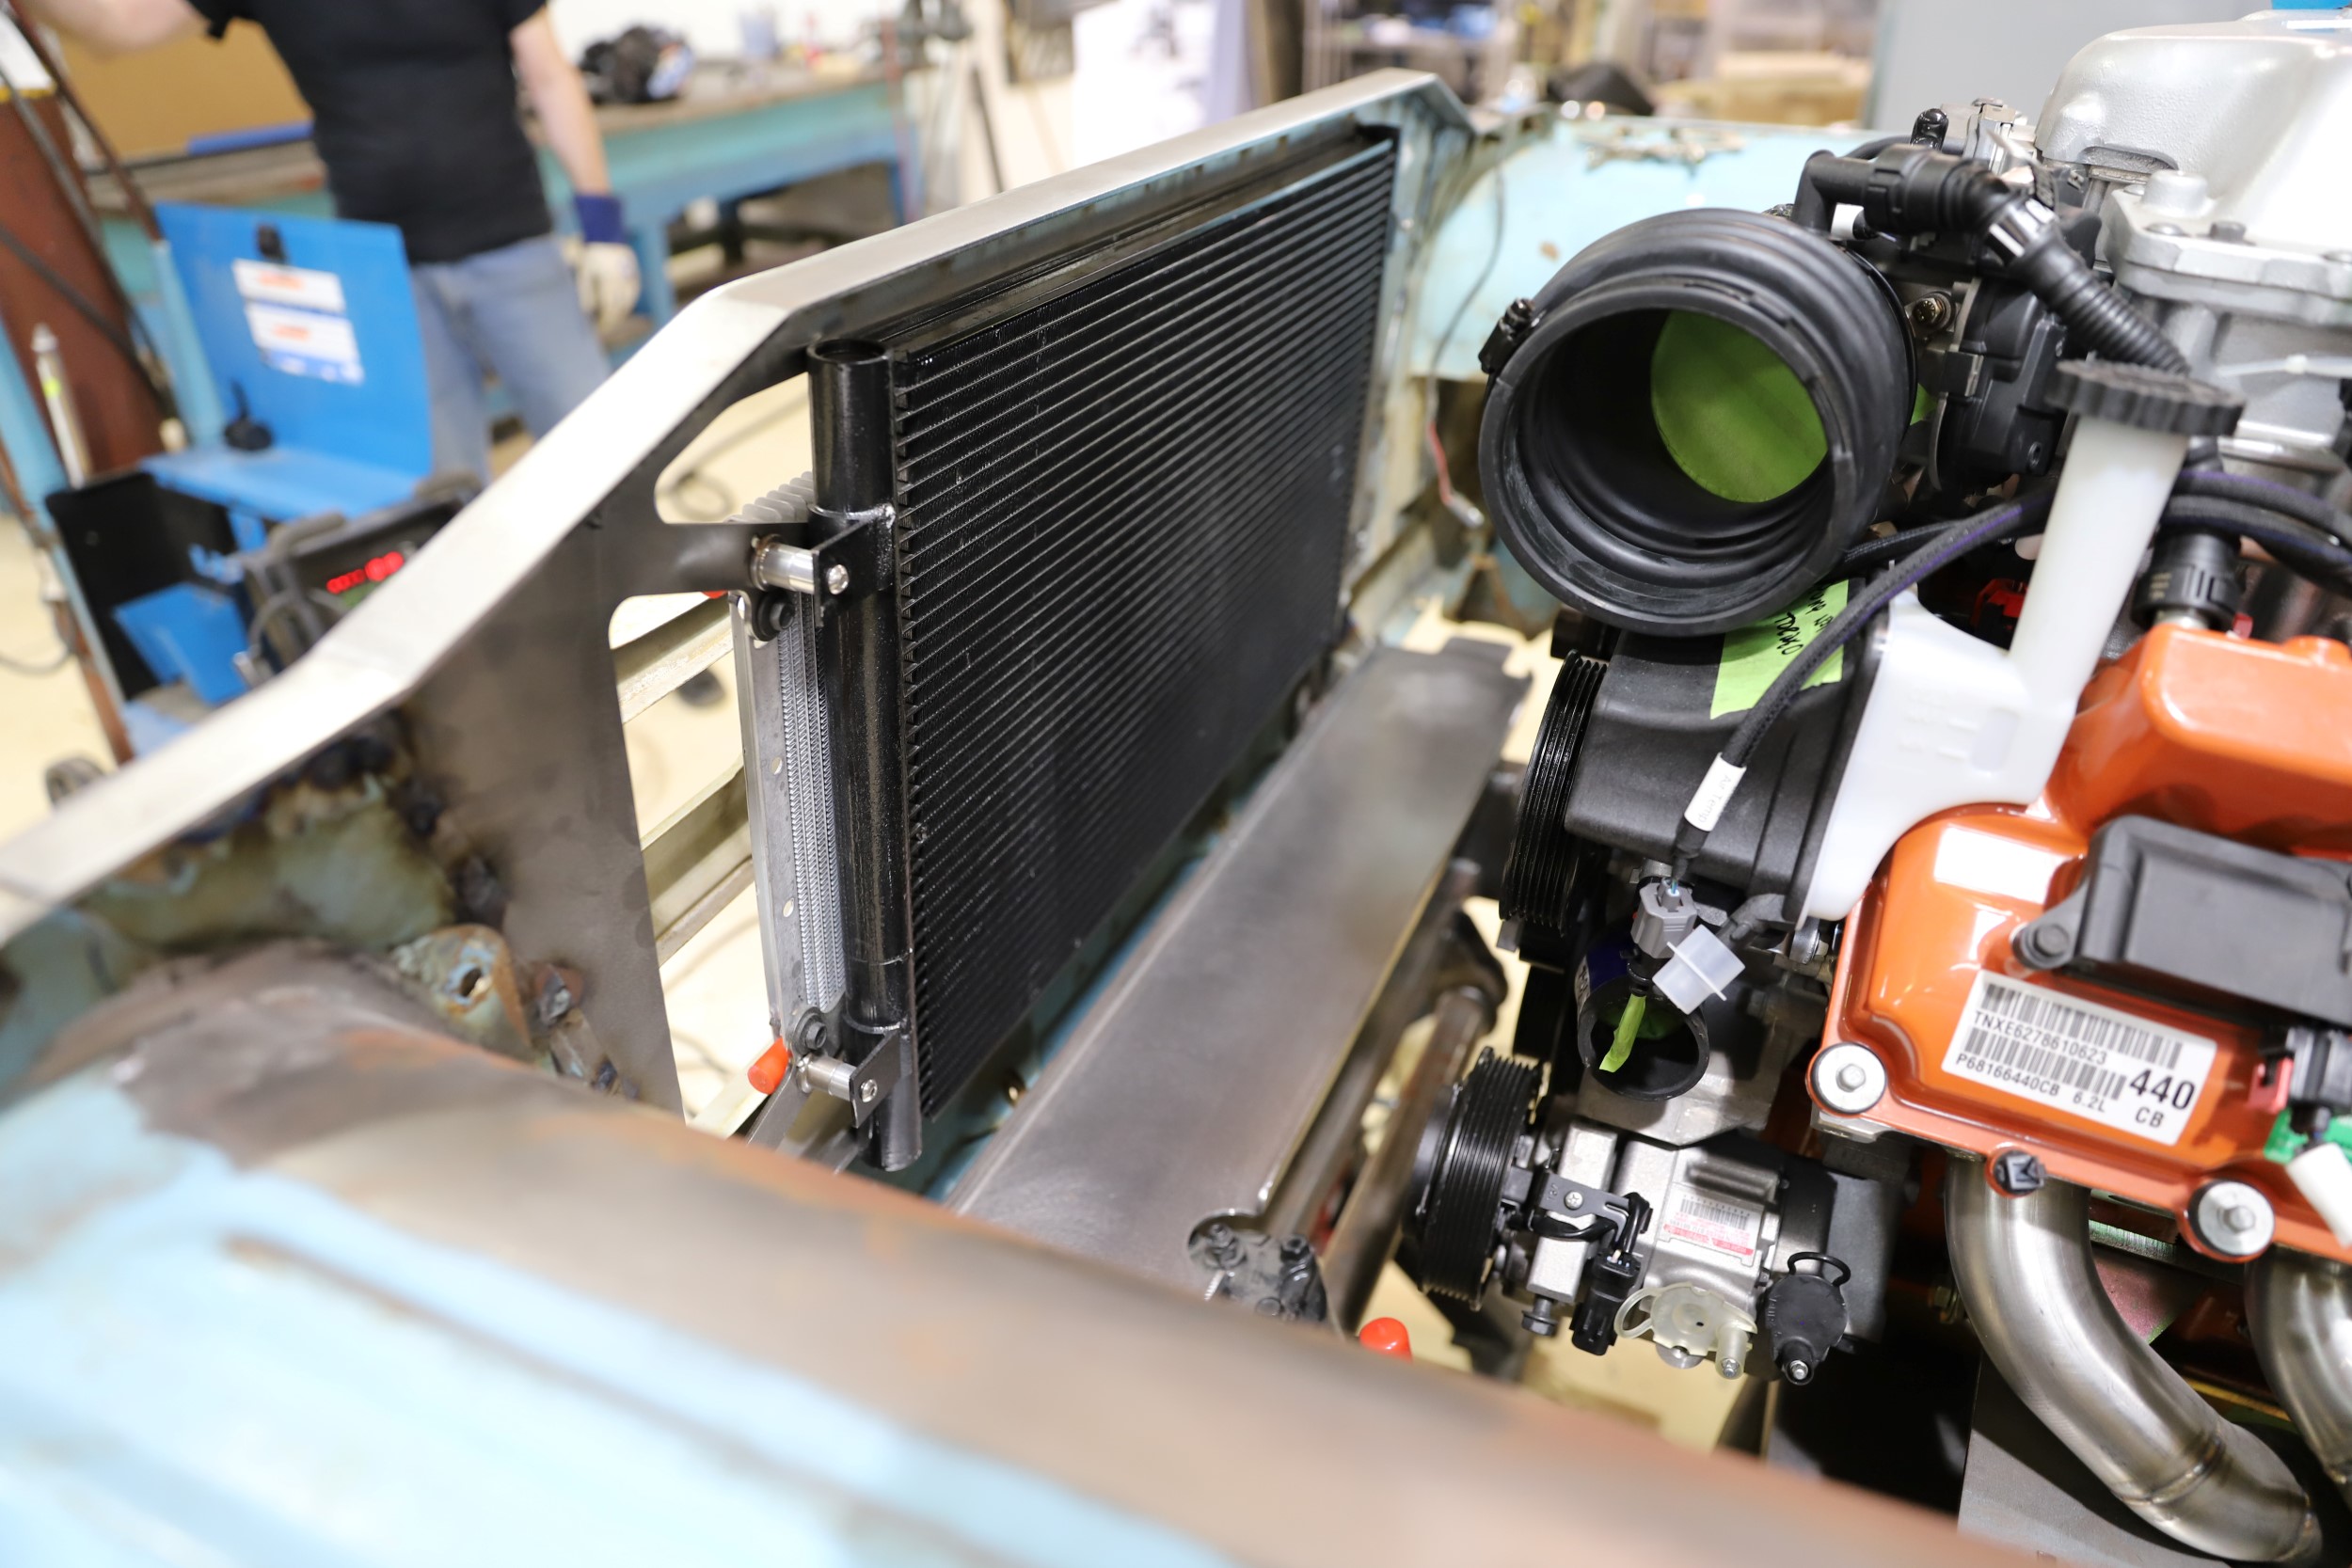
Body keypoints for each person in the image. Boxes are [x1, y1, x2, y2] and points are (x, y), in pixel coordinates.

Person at [24, 0, 642, 485]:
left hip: (512, 245)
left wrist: (602, 227)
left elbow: (550, 77)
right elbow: (119, 24)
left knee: (601, 461)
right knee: (442, 494)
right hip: (382, 271)